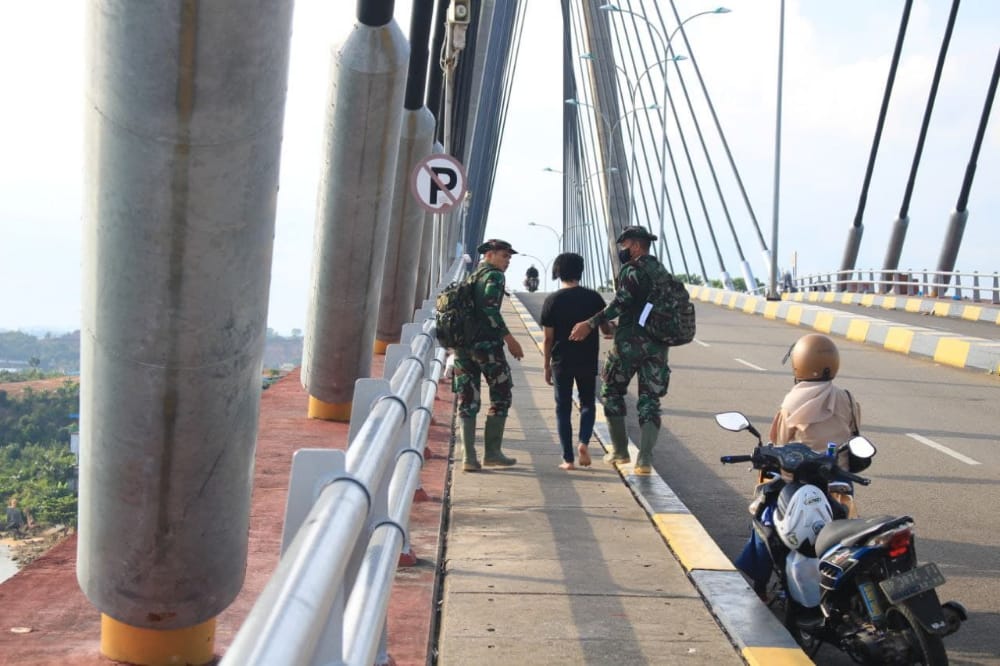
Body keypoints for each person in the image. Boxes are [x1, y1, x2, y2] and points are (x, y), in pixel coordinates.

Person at [568, 226, 670, 475]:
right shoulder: (661, 271)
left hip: (629, 344)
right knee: (650, 401)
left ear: (635, 245)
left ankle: (620, 450)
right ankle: (645, 460)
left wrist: (591, 323)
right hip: (657, 345)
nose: (622, 251)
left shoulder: (632, 270)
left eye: (624, 245)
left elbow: (622, 302)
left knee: (611, 390)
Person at [770, 332, 862, 515]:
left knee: (771, 517)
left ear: (799, 363)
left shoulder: (790, 404)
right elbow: (854, 433)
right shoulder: (847, 399)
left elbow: (779, 444)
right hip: (840, 479)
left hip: (801, 481)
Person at [454, 239, 525, 472]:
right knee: (501, 394)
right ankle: (492, 453)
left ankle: (468, 457)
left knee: (467, 398)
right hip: (487, 347)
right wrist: (510, 339)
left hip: (463, 347)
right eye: (504, 256)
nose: (507, 261)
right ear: (490, 255)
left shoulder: (471, 277)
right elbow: (490, 309)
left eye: (509, 257)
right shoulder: (494, 276)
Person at [540, 253, 611, 470]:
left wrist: (546, 366)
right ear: (580, 271)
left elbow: (548, 338)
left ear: (557, 271)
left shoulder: (552, 301)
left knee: (563, 408)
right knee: (588, 403)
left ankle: (568, 459)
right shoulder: (594, 298)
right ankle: (583, 443)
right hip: (587, 359)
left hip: (561, 361)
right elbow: (606, 329)